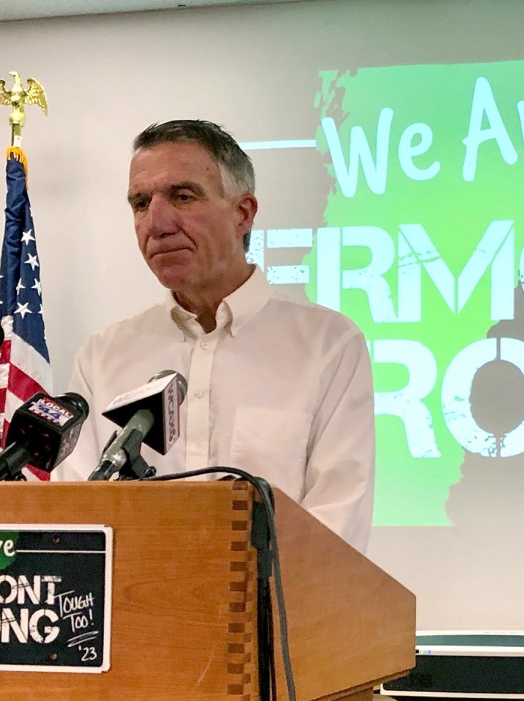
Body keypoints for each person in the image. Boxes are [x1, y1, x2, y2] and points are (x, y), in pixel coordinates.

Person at [58, 119, 375, 554]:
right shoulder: (104, 355)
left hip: (272, 616)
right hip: (135, 616)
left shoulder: (327, 346)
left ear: (243, 213)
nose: (157, 222)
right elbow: (74, 523)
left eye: (182, 196)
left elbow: (337, 527)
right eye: (139, 203)